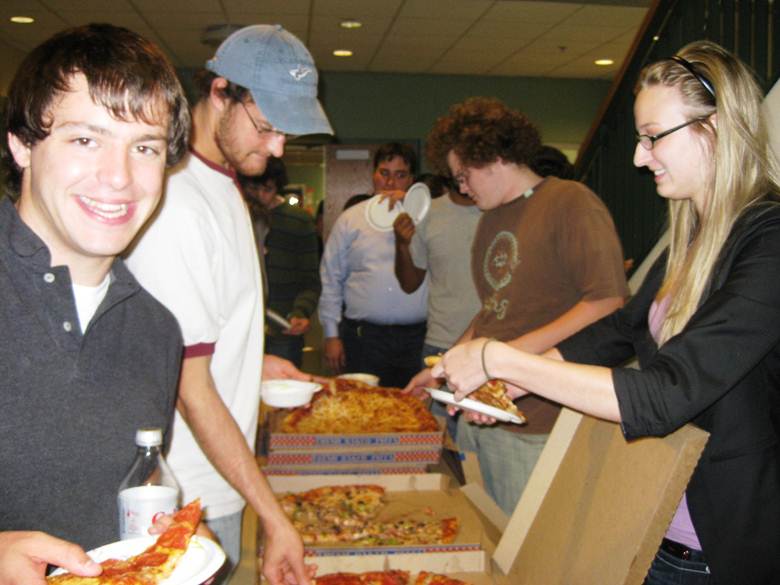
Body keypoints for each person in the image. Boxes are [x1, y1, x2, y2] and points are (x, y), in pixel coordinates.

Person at [432, 41, 780, 585]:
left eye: (653, 137)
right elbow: (621, 329)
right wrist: (519, 384)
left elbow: (667, 393)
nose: (640, 158)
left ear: (714, 128)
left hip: (721, 543)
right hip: (658, 516)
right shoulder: (691, 237)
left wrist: (500, 360)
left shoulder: (769, 240)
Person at [126, 24, 332, 585]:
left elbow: (188, 341)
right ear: (220, 92)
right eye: (267, 127)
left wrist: (251, 363)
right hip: (188, 494)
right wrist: (275, 516)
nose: (278, 147)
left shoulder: (221, 183)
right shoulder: (177, 205)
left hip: (219, 477)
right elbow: (188, 389)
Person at [0, 23, 189, 584]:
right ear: (22, 143)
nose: (119, 177)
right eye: (86, 140)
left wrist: (164, 540)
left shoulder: (157, 331)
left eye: (144, 147)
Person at [406, 97, 628, 515]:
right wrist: (444, 367)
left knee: (527, 544)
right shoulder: (490, 218)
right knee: (489, 531)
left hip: (539, 419)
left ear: (494, 156)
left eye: (464, 176)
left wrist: (505, 359)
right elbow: (494, 309)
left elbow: (607, 300)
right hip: (484, 410)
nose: (462, 188)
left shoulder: (570, 201)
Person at [319, 142, 428, 388]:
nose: (390, 183)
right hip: (363, 339)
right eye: (384, 173)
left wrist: (414, 207)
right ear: (373, 174)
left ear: (411, 180)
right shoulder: (350, 219)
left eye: (400, 175)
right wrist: (331, 335)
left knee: (412, 407)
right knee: (362, 407)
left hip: (416, 339)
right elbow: (331, 278)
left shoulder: (427, 220)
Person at [393, 174, 481, 438]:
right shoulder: (429, 213)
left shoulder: (500, 210)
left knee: (480, 444)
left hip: (493, 345)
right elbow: (409, 283)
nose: (464, 173)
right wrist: (401, 244)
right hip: (439, 345)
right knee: (438, 443)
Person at [238, 158, 321, 368]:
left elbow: (310, 280)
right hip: (241, 328)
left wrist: (301, 311)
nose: (259, 196)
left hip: (283, 328)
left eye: (267, 189)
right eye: (253, 188)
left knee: (284, 384)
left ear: (278, 188)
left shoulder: (299, 221)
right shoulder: (236, 216)